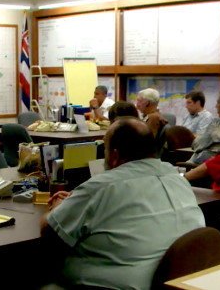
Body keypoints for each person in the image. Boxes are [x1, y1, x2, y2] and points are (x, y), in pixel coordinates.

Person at [40, 117, 205, 290]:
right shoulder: (175, 177)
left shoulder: (101, 186)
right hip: (174, 283)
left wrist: (58, 205)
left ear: (115, 155)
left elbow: (49, 229)